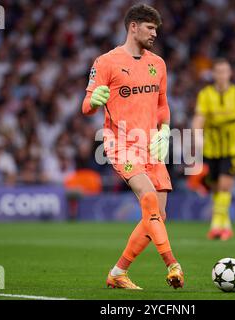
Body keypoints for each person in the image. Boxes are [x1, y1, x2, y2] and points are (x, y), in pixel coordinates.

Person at [81, 4, 183, 290]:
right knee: (149, 201)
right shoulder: (105, 62)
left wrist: (164, 131)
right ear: (133, 27)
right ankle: (172, 264)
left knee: (157, 218)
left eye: (156, 29)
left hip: (152, 145)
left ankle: (117, 273)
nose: (154, 33)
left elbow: (163, 104)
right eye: (150, 28)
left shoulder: (159, 63)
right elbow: (86, 106)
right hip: (120, 144)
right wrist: (96, 100)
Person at [192, 58, 235, 240]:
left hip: (232, 148)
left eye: (225, 71)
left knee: (224, 185)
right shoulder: (205, 94)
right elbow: (199, 118)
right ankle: (226, 224)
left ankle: (216, 225)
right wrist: (196, 135)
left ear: (230, 74)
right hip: (211, 148)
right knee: (215, 188)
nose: (222, 75)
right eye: (218, 72)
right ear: (213, 74)